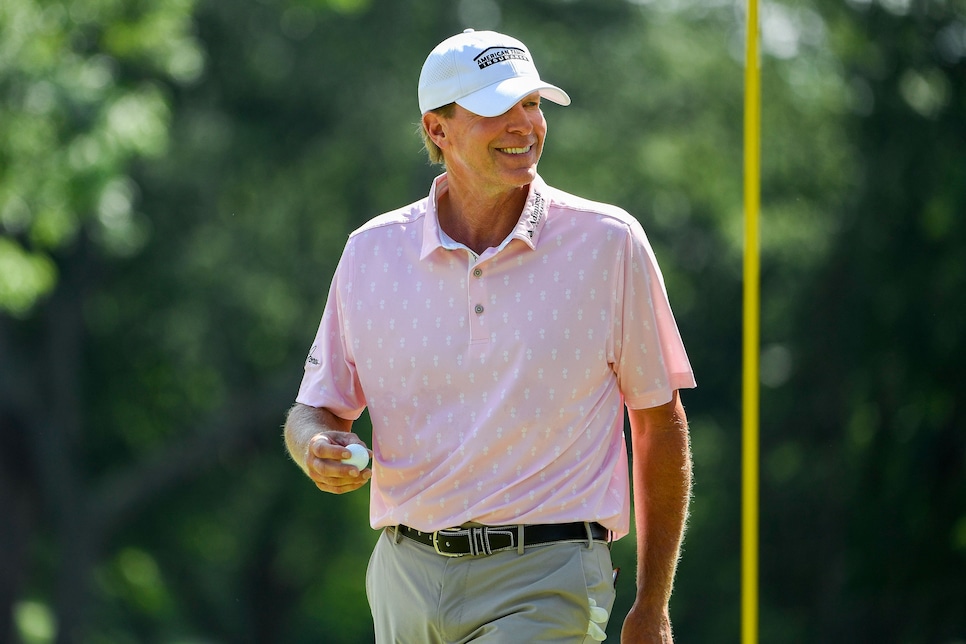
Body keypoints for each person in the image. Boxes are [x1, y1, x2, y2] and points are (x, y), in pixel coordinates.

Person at [284, 28, 696, 643]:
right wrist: (314, 444)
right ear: (437, 129)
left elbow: (659, 423)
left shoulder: (609, 243)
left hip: (547, 576)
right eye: (497, 108)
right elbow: (316, 409)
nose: (525, 125)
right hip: (405, 577)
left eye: (531, 104)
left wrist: (652, 603)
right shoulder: (370, 253)